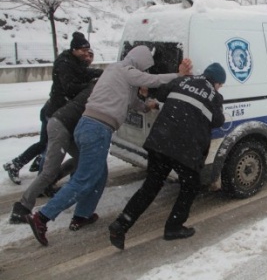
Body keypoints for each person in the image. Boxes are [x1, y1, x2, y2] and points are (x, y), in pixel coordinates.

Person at [25, 45, 192, 246]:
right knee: (84, 180)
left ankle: (82, 215)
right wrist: (178, 75)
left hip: (90, 127)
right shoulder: (123, 69)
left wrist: (149, 105)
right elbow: (151, 80)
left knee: (99, 175)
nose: (145, 71)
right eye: (145, 67)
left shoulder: (121, 76)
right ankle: (42, 217)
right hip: (96, 128)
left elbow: (134, 103)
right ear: (139, 61)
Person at [108, 62, 226, 250]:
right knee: (190, 186)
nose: (220, 88)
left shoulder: (182, 81)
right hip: (184, 149)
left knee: (150, 186)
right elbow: (218, 121)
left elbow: (160, 94)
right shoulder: (214, 96)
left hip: (160, 142)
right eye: (221, 84)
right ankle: (173, 227)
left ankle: (120, 225)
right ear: (217, 82)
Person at [3, 37, 99, 185]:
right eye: (84, 51)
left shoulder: (74, 63)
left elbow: (85, 72)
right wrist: (89, 86)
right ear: (74, 49)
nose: (86, 55)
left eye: (89, 52)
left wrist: (101, 72)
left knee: (46, 144)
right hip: (54, 112)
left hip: (57, 111)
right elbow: (70, 87)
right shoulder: (65, 64)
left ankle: (22, 163)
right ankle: (41, 180)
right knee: (48, 147)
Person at [9, 81, 96, 225]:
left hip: (66, 126)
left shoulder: (94, 85)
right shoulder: (97, 88)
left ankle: (52, 179)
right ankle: (22, 207)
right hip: (61, 126)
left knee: (83, 158)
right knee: (49, 171)